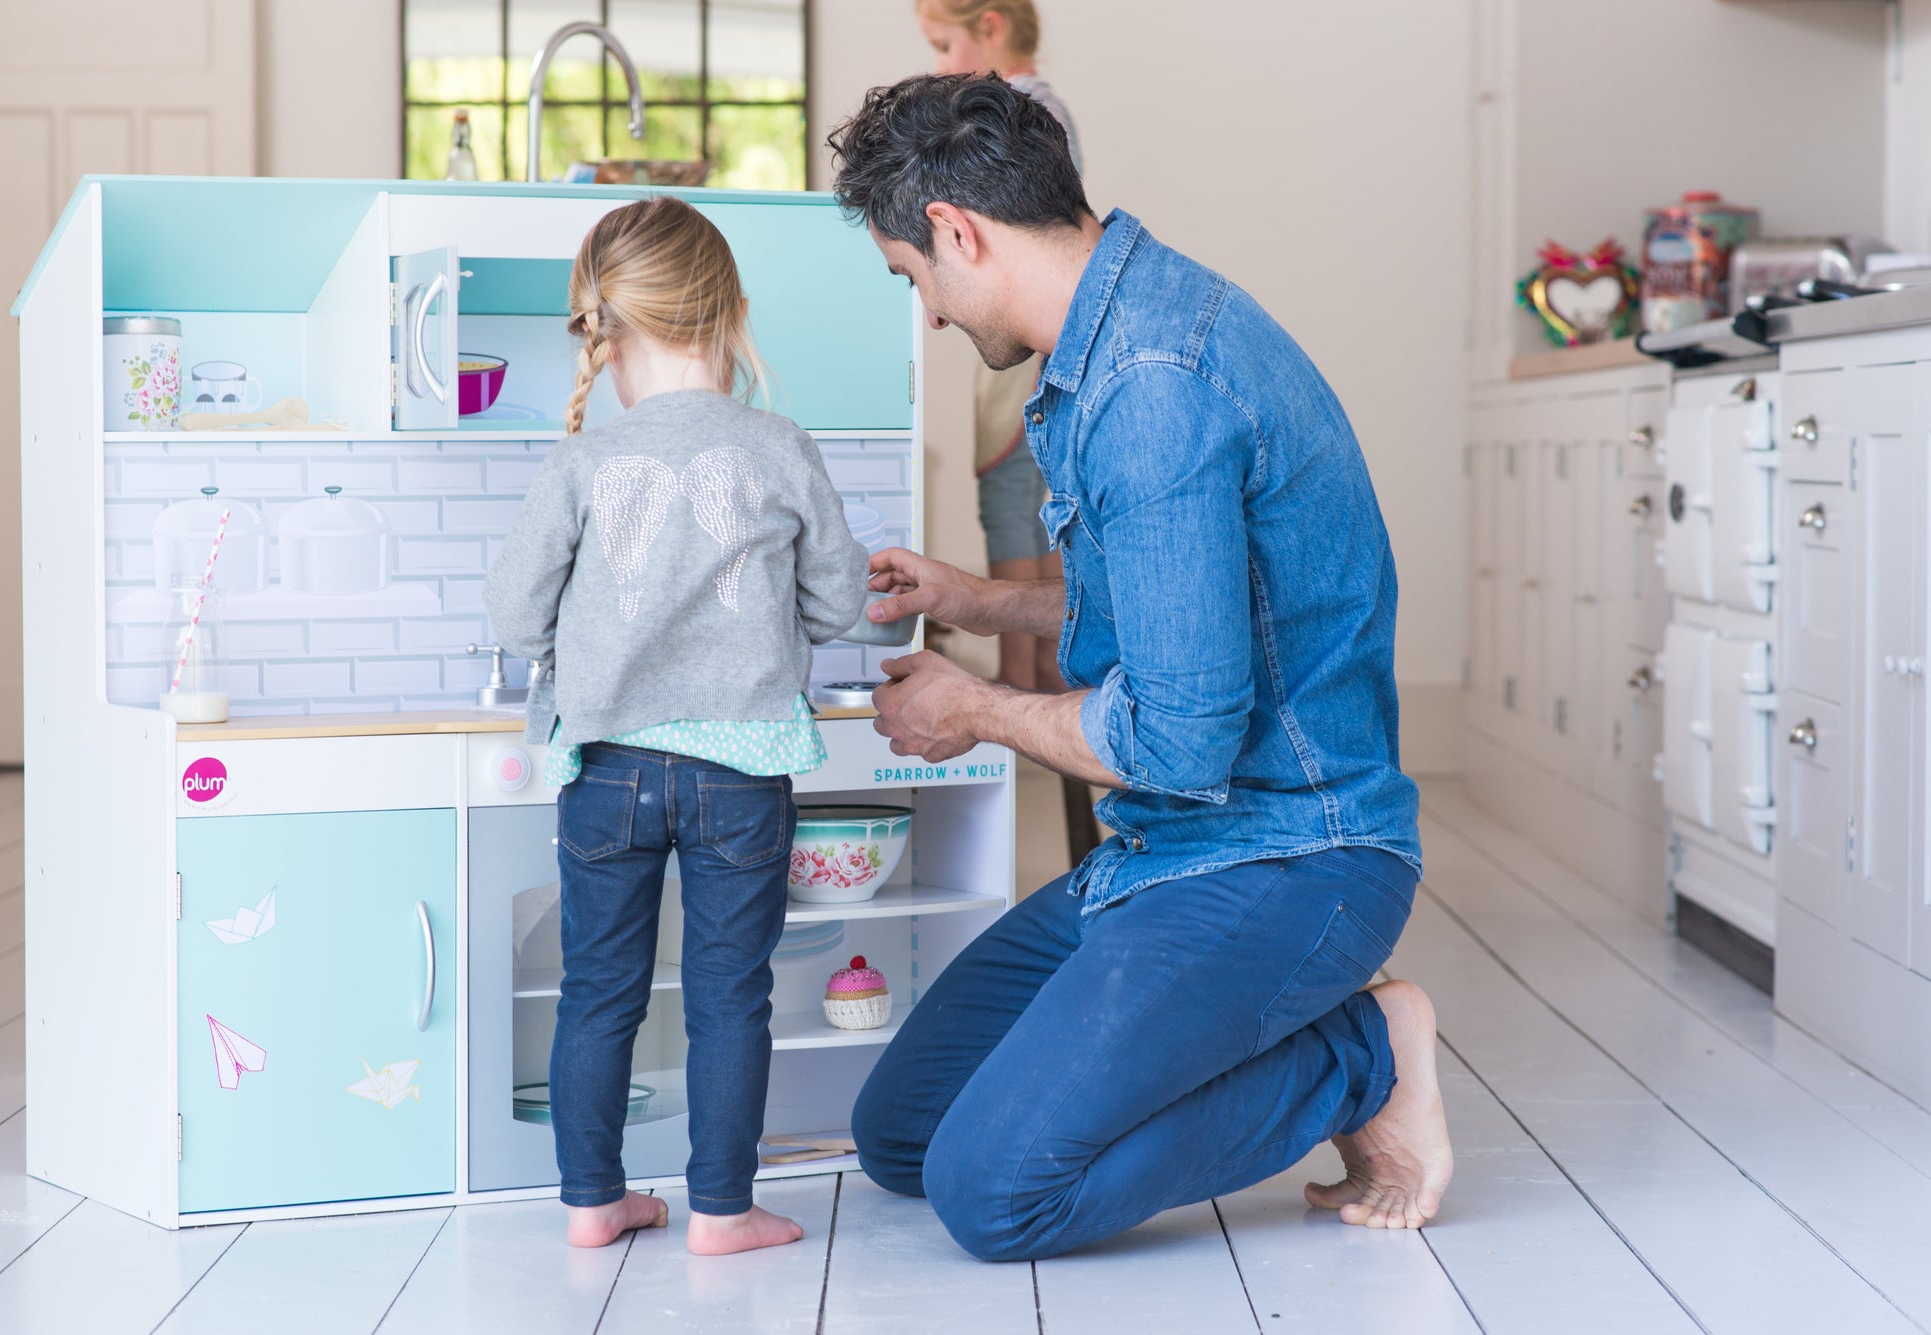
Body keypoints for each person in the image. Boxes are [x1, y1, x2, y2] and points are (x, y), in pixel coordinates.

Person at [828, 74, 1452, 1262]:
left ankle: (1361, 1057)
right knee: (904, 1135)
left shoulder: (1148, 391)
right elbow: (1185, 614)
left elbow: (1178, 735)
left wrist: (975, 708)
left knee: (993, 1195)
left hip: (1288, 856)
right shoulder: (1124, 330)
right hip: (1166, 854)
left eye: (917, 281)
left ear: (956, 231)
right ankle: (1285, 1044)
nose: (936, 317)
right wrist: (975, 596)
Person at [485, 196, 868, 1256]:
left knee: (595, 990)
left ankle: (592, 1203)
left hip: (604, 772)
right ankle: (721, 1211)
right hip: (739, 776)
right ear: (732, 312)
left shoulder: (580, 463)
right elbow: (836, 609)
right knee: (726, 997)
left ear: (603, 330)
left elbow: (513, 616)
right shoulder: (779, 445)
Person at [915, 0, 1104, 863]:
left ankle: (1040, 712)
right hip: (1019, 379)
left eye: (946, 43)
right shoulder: (1029, 108)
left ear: (990, 27)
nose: (945, 63)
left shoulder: (1022, 114)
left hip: (1030, 379)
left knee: (1030, 529)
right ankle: (1034, 714)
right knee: (1017, 529)